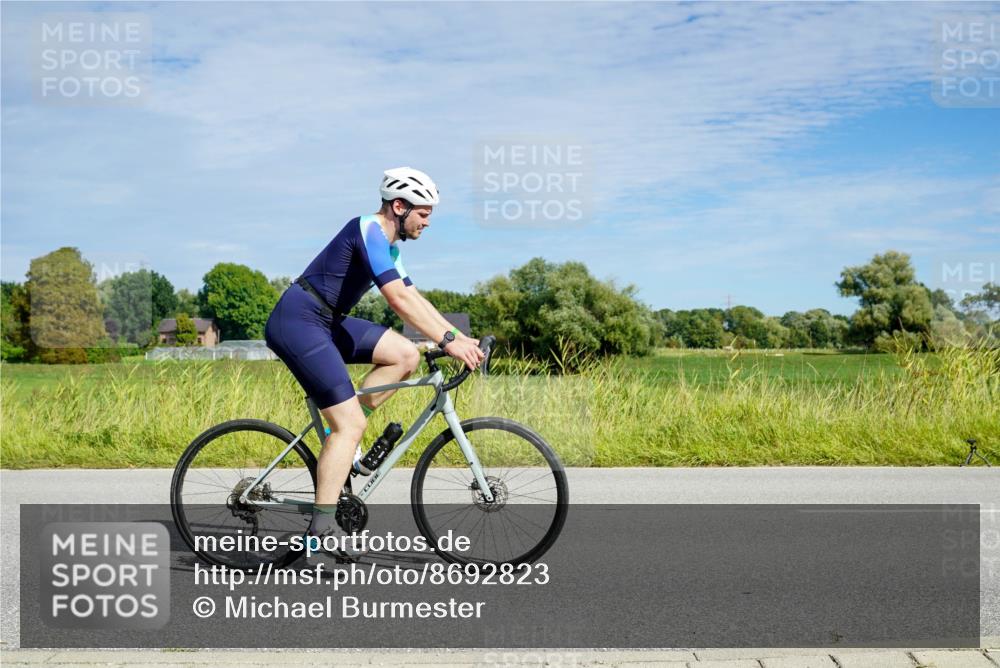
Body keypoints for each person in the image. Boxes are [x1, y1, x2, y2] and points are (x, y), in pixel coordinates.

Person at [264, 167, 484, 560]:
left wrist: (456, 336)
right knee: (349, 424)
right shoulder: (367, 229)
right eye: (423, 213)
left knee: (406, 355)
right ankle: (322, 526)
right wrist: (447, 342)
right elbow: (396, 300)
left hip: (327, 321)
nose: (427, 222)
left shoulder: (390, 248)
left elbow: (413, 298)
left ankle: (343, 442)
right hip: (298, 322)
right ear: (399, 206)